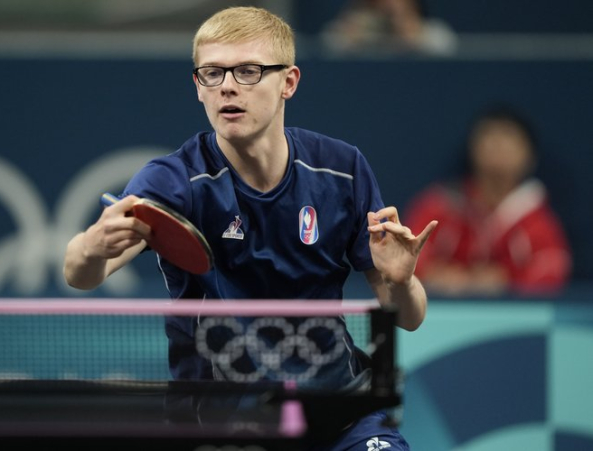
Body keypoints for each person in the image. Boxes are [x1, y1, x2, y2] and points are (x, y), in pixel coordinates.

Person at [64, 6, 436, 450]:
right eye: (212, 74)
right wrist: (92, 245)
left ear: (288, 82)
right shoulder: (175, 182)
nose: (227, 88)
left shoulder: (341, 170)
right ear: (197, 87)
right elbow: (80, 275)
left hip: (339, 411)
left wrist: (402, 280)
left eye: (247, 71)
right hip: (222, 425)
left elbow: (410, 318)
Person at [404, 105, 572, 298]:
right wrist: (435, 276)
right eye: (489, 137)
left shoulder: (539, 221)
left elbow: (552, 275)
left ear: (530, 156)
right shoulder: (438, 206)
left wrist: (506, 283)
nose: (498, 145)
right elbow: (406, 259)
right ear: (472, 148)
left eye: (508, 138)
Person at [321, 0, 457, 56]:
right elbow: (326, 45)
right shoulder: (356, 26)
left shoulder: (432, 31)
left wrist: (414, 35)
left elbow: (447, 48)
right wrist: (351, 35)